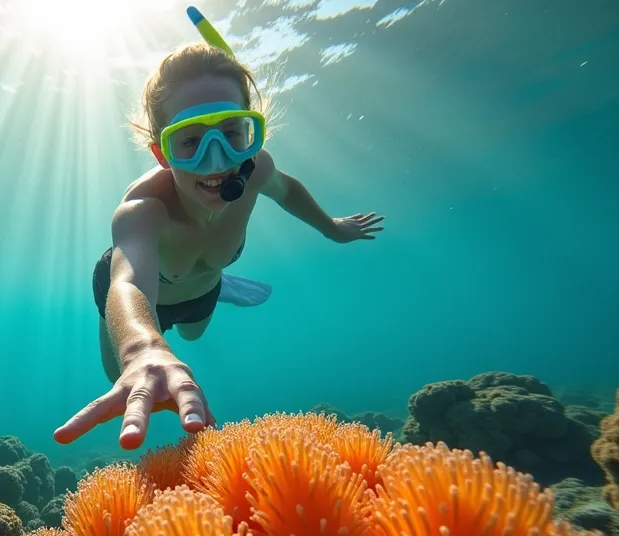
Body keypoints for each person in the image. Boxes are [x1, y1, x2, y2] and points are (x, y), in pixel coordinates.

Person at [53, 7, 385, 451]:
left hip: (201, 287)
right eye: (190, 141)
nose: (216, 161)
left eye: (231, 133)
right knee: (122, 379)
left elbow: (288, 191)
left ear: (253, 134)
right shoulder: (143, 210)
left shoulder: (258, 168)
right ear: (161, 153)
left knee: (193, 333)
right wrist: (140, 349)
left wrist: (332, 228)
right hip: (141, 299)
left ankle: (217, 281)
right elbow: (128, 282)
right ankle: (168, 323)